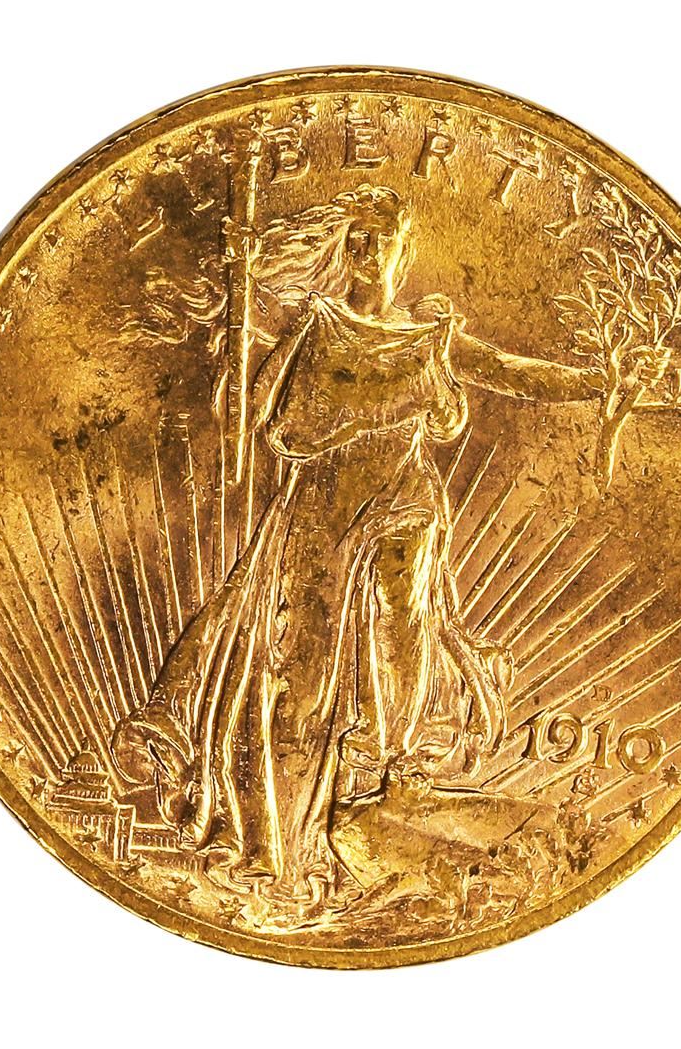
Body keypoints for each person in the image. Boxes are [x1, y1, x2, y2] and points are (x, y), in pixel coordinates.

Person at [112, 184, 601, 915]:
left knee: (403, 618)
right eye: (358, 239)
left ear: (405, 249)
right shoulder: (318, 328)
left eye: (382, 238)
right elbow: (288, 429)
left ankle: (385, 765)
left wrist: (601, 382)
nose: (369, 252)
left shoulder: (429, 336)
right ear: (345, 250)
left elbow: (512, 372)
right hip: (322, 519)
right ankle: (287, 845)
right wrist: (393, 400)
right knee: (300, 681)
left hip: (403, 503)